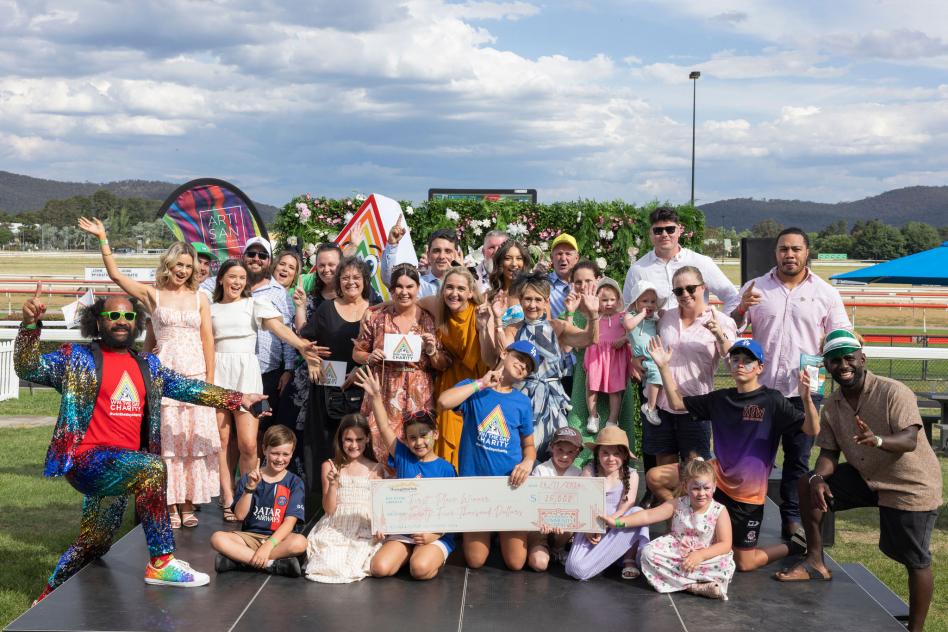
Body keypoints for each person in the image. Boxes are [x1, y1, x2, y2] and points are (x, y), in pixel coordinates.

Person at [16, 287, 267, 603]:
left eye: (128, 316)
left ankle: (46, 596)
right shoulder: (75, 359)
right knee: (152, 468)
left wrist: (238, 399)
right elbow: (28, 368)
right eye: (113, 315)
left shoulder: (150, 365)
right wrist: (28, 327)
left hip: (122, 467)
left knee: (94, 542)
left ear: (136, 323)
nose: (121, 321)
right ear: (98, 322)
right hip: (85, 461)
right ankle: (161, 562)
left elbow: (189, 388)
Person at [775, 330, 942, 632]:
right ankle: (816, 562)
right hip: (867, 476)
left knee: (913, 558)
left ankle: (915, 630)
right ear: (826, 365)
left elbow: (909, 440)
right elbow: (829, 452)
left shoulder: (894, 391)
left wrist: (878, 439)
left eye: (848, 358)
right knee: (806, 483)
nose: (843, 365)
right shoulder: (833, 405)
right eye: (834, 360)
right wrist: (816, 478)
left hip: (908, 484)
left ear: (862, 358)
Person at [78, 218, 217, 530]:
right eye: (178, 264)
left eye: (188, 266)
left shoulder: (200, 298)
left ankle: (187, 503)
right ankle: (168, 503)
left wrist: (209, 382)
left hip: (194, 373)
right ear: (168, 265)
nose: (183, 271)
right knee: (165, 441)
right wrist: (103, 238)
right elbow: (115, 275)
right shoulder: (154, 295)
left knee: (190, 441)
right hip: (164, 375)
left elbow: (209, 340)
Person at [647, 337, 813, 572]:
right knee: (655, 477)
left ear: (760, 368)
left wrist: (806, 399)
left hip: (748, 495)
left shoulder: (772, 400)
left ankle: (796, 546)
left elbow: (811, 429)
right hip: (716, 480)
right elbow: (675, 403)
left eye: (747, 361)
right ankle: (684, 529)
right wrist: (663, 366)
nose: (740, 365)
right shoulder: (720, 398)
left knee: (745, 563)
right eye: (736, 360)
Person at [731, 227, 851, 541]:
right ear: (776, 253)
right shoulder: (756, 287)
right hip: (761, 393)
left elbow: (841, 336)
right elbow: (732, 325)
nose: (790, 255)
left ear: (806, 252)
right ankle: (746, 521)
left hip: (804, 394)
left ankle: (793, 520)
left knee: (798, 461)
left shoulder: (825, 293)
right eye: (784, 249)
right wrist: (742, 306)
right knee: (754, 461)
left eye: (796, 249)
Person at [210, 260, 324, 520]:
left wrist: (302, 346)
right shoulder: (211, 308)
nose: (237, 282)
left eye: (242, 277)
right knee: (223, 441)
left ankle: (248, 493)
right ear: (221, 280)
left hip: (247, 375)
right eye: (232, 277)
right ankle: (228, 497)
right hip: (219, 373)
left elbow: (280, 328)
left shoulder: (254, 304)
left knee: (249, 444)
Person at [437, 341, 540, 571]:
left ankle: (528, 535)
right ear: (504, 353)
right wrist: (481, 383)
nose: (523, 366)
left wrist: (528, 461)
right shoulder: (475, 388)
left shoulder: (522, 402)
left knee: (515, 564)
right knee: (475, 561)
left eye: (528, 366)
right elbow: (444, 402)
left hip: (510, 487)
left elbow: (529, 445)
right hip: (477, 487)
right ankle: (487, 533)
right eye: (520, 358)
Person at [357, 368, 457, 581]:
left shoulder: (446, 468)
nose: (418, 442)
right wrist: (375, 396)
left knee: (420, 570)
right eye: (412, 438)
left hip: (434, 532)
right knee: (379, 568)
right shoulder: (403, 455)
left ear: (435, 435)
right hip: (404, 530)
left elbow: (453, 510)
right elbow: (384, 426)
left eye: (424, 436)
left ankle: (427, 557)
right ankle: (407, 554)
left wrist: (434, 534)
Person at [353, 263, 450, 463]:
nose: (404, 292)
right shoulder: (377, 318)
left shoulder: (429, 319)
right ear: (391, 290)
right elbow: (357, 352)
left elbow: (442, 364)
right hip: (384, 389)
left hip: (419, 391)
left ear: (418, 288)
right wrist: (369, 357)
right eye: (399, 287)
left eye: (409, 287)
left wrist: (431, 351)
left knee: (418, 443)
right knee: (380, 442)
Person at [496, 273, 599, 459]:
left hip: (553, 400)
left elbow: (589, 339)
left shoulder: (557, 327)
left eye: (538, 299)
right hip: (522, 397)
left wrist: (593, 316)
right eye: (527, 299)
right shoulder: (514, 329)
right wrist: (494, 321)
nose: (532, 305)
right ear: (520, 300)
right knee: (522, 452)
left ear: (546, 302)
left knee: (556, 452)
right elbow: (502, 357)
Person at [299, 257, 372, 510]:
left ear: (365, 281)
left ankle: (356, 507)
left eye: (356, 277)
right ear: (338, 282)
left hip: (363, 387)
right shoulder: (325, 309)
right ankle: (322, 507)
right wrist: (311, 360)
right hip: (327, 388)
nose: (350, 282)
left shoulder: (376, 309)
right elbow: (305, 341)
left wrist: (363, 368)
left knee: (360, 443)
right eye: (345, 277)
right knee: (326, 443)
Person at [647, 266, 735, 465]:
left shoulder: (722, 322)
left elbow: (733, 365)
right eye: (678, 291)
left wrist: (720, 336)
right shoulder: (665, 318)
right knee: (664, 472)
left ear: (703, 287)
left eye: (690, 288)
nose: (685, 294)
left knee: (694, 471)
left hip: (696, 408)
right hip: (663, 406)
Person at [628, 458, 735, 600]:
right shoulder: (677, 504)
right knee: (648, 554)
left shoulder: (719, 511)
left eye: (706, 488)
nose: (701, 493)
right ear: (685, 486)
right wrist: (617, 522)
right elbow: (648, 515)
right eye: (696, 488)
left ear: (714, 486)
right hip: (677, 553)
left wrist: (700, 555)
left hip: (706, 557)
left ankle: (679, 582)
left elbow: (725, 544)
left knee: (724, 564)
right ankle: (695, 586)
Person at [421, 266, 495, 469]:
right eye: (450, 287)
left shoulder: (481, 313)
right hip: (450, 385)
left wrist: (482, 328)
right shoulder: (436, 307)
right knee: (447, 443)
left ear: (470, 292)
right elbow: (406, 303)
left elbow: (490, 360)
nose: (454, 293)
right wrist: (374, 309)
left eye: (461, 289)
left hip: (478, 386)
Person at [211, 424, 307, 577]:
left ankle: (241, 560)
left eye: (285, 454)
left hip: (279, 540)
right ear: (264, 450)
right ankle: (271, 564)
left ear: (292, 453)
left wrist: (269, 545)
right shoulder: (249, 478)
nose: (280, 459)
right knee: (217, 538)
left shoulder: (295, 483)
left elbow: (290, 522)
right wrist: (250, 488)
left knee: (300, 542)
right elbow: (240, 516)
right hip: (250, 536)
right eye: (275, 453)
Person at [304, 414, 384, 583]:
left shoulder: (377, 469)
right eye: (348, 439)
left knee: (357, 561)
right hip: (336, 524)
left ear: (367, 439)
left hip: (363, 526)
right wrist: (333, 484)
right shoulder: (330, 466)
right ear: (340, 439)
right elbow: (329, 509)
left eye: (359, 439)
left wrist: (380, 526)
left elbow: (380, 508)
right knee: (329, 562)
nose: (354, 445)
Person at [565, 426, 649, 581]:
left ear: (624, 456)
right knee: (574, 569)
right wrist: (590, 527)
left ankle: (627, 559)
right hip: (592, 529)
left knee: (637, 512)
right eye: (605, 453)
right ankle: (602, 559)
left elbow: (627, 504)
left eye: (616, 453)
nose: (611, 458)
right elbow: (582, 503)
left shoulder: (631, 474)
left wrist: (610, 523)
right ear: (597, 454)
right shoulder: (590, 470)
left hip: (616, 527)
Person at [622, 206, 739, 314]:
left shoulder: (701, 262)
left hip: (697, 335)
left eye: (670, 229)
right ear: (650, 234)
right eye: (658, 230)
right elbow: (627, 310)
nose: (664, 234)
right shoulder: (637, 270)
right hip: (654, 336)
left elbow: (733, 297)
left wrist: (725, 326)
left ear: (679, 231)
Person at [242, 237, 297, 421]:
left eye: (262, 255)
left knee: (262, 425)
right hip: (236, 371)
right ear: (243, 257)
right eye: (251, 253)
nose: (256, 258)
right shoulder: (233, 285)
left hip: (267, 375)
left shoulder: (279, 293)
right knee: (233, 431)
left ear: (268, 261)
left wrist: (288, 370)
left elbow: (286, 331)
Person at [527, 426, 583, 572]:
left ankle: (558, 549)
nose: (564, 456)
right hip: (540, 526)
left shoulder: (578, 474)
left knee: (570, 522)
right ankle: (538, 547)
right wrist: (542, 520)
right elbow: (531, 500)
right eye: (560, 450)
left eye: (570, 452)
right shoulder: (541, 470)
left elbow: (579, 505)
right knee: (539, 564)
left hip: (563, 527)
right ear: (552, 448)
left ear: (577, 453)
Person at [583, 277, 630, 434]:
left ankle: (612, 419)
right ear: (597, 301)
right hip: (597, 356)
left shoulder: (623, 316)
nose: (608, 303)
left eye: (612, 299)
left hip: (615, 357)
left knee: (614, 390)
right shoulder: (595, 317)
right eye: (604, 300)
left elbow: (633, 333)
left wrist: (623, 339)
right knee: (591, 386)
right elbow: (588, 337)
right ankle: (593, 416)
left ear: (618, 300)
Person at [382, 225, 461, 298]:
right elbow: (389, 278)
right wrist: (392, 245)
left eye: (447, 251)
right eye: (436, 251)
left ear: (455, 255)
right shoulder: (416, 284)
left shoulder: (465, 285)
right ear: (428, 255)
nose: (441, 256)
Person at [624, 279, 663, 426]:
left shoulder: (653, 319)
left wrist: (661, 313)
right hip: (642, 355)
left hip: (652, 355)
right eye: (644, 301)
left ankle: (651, 403)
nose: (649, 305)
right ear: (635, 303)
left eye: (653, 302)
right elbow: (628, 325)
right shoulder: (631, 315)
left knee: (655, 378)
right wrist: (641, 314)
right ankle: (650, 407)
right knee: (656, 374)